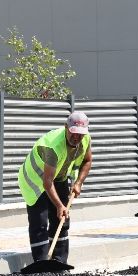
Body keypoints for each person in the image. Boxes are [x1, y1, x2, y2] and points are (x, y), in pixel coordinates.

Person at [18, 112, 93, 264]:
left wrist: (78, 182)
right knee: (40, 220)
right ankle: (41, 261)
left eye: (81, 134)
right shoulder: (53, 147)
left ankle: (59, 260)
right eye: (73, 133)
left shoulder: (85, 139)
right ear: (66, 127)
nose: (77, 138)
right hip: (35, 179)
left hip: (58, 176)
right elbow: (47, 183)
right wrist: (59, 205)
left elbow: (87, 160)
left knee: (61, 219)